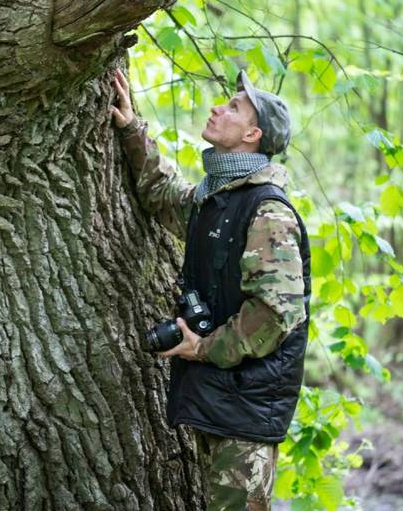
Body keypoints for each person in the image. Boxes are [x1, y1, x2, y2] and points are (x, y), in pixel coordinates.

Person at [109, 67, 312, 511]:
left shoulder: (267, 212)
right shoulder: (217, 198)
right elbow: (162, 195)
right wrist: (131, 129)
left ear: (252, 134)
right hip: (221, 395)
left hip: (247, 407)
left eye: (234, 107)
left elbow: (276, 314)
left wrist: (202, 348)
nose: (218, 107)